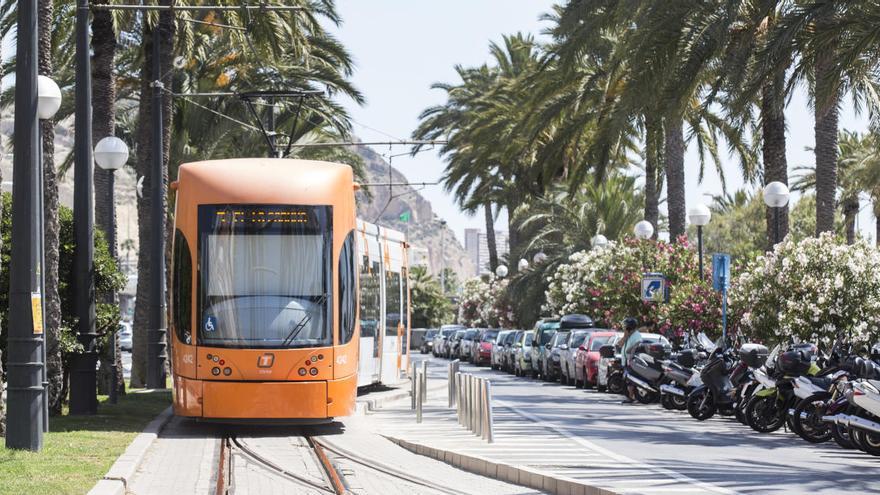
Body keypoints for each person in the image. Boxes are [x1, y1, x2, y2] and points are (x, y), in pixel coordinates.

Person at [616, 317, 642, 404]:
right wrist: (625, 336)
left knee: (630, 380)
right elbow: (619, 344)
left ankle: (631, 397)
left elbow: (637, 346)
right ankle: (630, 396)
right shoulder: (629, 336)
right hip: (626, 361)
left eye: (626, 327)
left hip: (632, 361)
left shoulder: (636, 336)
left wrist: (629, 352)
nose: (624, 328)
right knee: (627, 380)